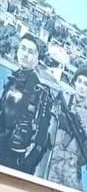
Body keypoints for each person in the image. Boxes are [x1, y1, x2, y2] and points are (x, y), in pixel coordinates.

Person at [0, 34, 55, 175]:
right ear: (18, 51)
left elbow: (41, 137)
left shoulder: (40, 92)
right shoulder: (10, 82)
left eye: (30, 51)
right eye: (23, 48)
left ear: (36, 59)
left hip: (17, 161)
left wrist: (27, 164)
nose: (25, 54)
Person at [46, 68, 87, 190]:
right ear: (75, 82)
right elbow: (50, 124)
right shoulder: (63, 100)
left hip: (72, 168)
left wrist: (81, 159)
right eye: (79, 81)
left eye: (85, 84)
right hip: (54, 161)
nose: (82, 86)